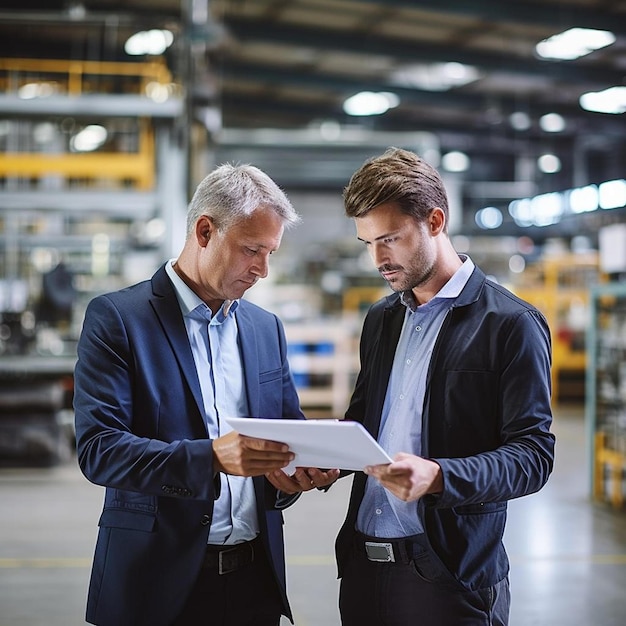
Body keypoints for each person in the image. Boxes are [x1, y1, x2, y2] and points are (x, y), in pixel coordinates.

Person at [73, 163, 339, 626]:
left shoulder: (264, 328)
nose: (262, 269)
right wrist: (212, 457)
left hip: (254, 584)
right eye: (252, 250)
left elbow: (284, 439)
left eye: (270, 252)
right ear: (204, 231)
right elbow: (100, 450)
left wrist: (298, 474)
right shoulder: (118, 319)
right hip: (155, 585)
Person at [334, 147, 555, 626]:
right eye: (367, 242)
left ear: (435, 221)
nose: (378, 259)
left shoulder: (511, 324)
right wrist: (327, 456)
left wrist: (439, 476)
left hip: (448, 574)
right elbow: (364, 422)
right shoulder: (382, 319)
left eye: (390, 238)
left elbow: (533, 456)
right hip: (363, 569)